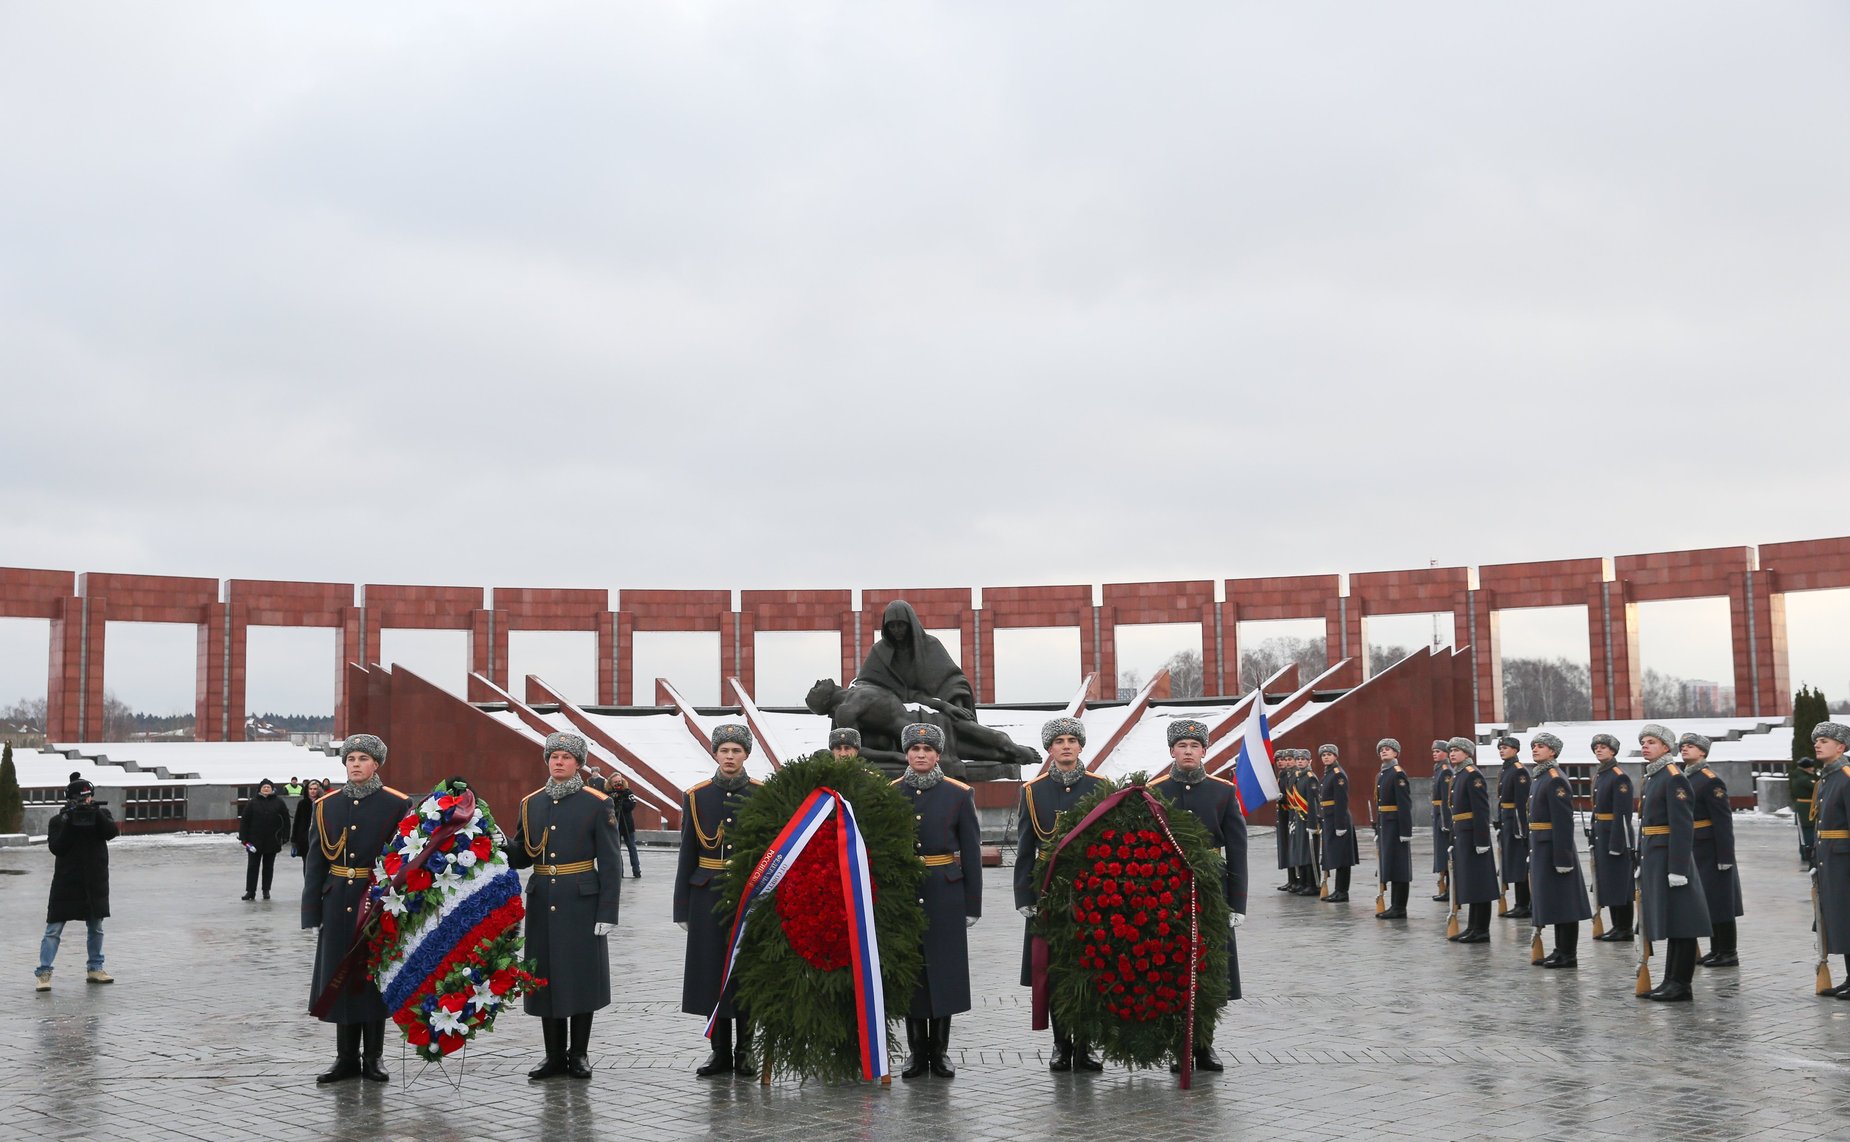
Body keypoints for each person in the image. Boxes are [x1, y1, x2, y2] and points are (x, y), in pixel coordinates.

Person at [507, 732, 623, 1080]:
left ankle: (579, 1054)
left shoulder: (597, 802)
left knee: (580, 977)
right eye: (553, 756)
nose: (558, 762)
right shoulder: (531, 803)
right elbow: (524, 856)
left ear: (579, 764)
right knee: (545, 978)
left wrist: (607, 911)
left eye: (565, 757)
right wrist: (498, 842)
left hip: (581, 900)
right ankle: (553, 1055)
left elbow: (612, 861)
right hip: (543, 899)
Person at [302, 734, 413, 1082]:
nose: (355, 765)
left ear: (376, 764)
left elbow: (406, 858)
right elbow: (315, 860)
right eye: (350, 759)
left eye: (363, 759)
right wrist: (312, 909)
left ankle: (373, 1057)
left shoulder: (396, 803)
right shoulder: (326, 805)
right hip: (337, 903)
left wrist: (400, 905)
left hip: (377, 901)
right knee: (341, 976)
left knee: (372, 979)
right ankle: (345, 1057)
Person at [1150, 718, 1245, 1074]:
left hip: (1211, 892)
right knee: (1172, 968)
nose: (1188, 752)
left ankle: (1204, 1044)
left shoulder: (1223, 792)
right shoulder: (1155, 791)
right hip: (1167, 892)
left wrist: (1237, 903)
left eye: (1194, 746)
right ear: (1171, 751)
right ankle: (1179, 1046)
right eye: (1181, 746)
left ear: (1205, 751)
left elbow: (1237, 849)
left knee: (1209, 968)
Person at [1013, 717, 1106, 1072]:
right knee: (1051, 969)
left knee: (1090, 968)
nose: (1066, 746)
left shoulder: (1100, 787)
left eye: (1072, 740)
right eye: (1059, 741)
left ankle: (1087, 1045)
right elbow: (1025, 848)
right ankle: (1060, 1043)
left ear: (1081, 746)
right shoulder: (1032, 791)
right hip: (1047, 891)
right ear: (1050, 750)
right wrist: (1024, 896)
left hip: (1091, 891)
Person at [893, 722, 982, 1080]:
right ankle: (916, 1053)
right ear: (906, 753)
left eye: (928, 750)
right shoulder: (891, 793)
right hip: (905, 892)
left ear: (937, 754)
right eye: (915, 749)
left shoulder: (959, 794)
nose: (921, 755)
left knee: (944, 971)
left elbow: (971, 853)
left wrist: (971, 904)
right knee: (911, 972)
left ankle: (940, 1052)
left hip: (945, 891)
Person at [674, 724, 763, 1078]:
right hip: (706, 895)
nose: (729, 757)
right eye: (724, 750)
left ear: (746, 755)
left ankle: (745, 1051)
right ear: (714, 753)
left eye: (736, 751)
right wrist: (682, 906)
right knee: (712, 973)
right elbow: (687, 853)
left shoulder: (761, 794)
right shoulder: (696, 796)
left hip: (747, 893)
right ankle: (719, 1051)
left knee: (745, 973)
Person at [1635, 723, 1710, 1003]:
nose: (1645, 746)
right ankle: (1670, 979)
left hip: (1671, 860)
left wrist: (1678, 868)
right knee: (1673, 921)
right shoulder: (1654, 776)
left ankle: (1681, 983)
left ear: (1666, 747)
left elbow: (1681, 826)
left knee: (1683, 922)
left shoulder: (1672, 776)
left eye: (1651, 742)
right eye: (1643, 742)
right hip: (1656, 855)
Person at [36, 774, 117, 990]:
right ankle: (44, 973)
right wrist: (70, 821)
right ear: (70, 800)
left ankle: (95, 968)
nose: (86, 802)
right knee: (53, 929)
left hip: (94, 882)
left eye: (88, 797)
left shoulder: (101, 815)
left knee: (96, 927)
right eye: (81, 799)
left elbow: (111, 832)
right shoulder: (59, 821)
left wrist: (96, 813)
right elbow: (57, 848)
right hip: (66, 882)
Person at [1524, 733, 1592, 968]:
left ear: (1553, 751)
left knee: (1565, 902)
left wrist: (1563, 857)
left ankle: (1568, 953)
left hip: (1555, 848)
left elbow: (1563, 821)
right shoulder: (1540, 777)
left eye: (1540, 746)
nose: (1535, 749)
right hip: (1542, 847)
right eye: (1533, 746)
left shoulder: (1554, 778)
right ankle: (1559, 949)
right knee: (1554, 901)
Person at [1680, 733, 1744, 968]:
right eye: (1683, 747)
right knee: (1707, 900)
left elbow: (1723, 820)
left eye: (1691, 747)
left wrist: (1725, 856)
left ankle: (1728, 951)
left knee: (1720, 901)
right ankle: (1716, 949)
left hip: (1711, 849)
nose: (1685, 750)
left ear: (1703, 752)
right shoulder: (1686, 777)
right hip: (1694, 847)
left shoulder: (1709, 780)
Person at [1807, 721, 1850, 998]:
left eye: (1824, 740)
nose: (1818, 744)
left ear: (1841, 747)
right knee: (1841, 918)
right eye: (1817, 741)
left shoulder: (1845, 777)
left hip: (1844, 861)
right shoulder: (1828, 778)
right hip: (1830, 861)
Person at [1446, 737, 1497, 944]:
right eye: (1450, 751)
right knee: (1471, 883)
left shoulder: (1472, 775)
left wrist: (1482, 840)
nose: (1452, 754)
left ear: (1467, 753)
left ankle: (1482, 929)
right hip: (1462, 834)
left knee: (1480, 884)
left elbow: (1481, 810)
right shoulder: (1458, 776)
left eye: (1457, 750)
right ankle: (1473, 926)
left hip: (1474, 837)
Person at [1588, 735, 1636, 941]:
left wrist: (1618, 843)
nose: (1599, 750)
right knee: (1608, 881)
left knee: (1620, 883)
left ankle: (1624, 927)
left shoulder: (1618, 776)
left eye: (1604, 748)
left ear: (1613, 751)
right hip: (1602, 834)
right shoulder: (1601, 775)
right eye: (1596, 748)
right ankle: (1616, 925)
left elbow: (1622, 814)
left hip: (1615, 836)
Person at [1374, 739, 1414, 919]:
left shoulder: (1397, 774)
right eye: (1382, 750)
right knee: (1390, 865)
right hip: (1386, 824)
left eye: (1388, 749)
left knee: (1399, 867)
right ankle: (1394, 904)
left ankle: (1400, 906)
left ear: (1396, 753)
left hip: (1396, 826)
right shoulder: (1383, 773)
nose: (1384, 752)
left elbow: (1404, 804)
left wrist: (1405, 831)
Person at [1494, 735, 1532, 919]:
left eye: (1506, 747)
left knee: (1519, 864)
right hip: (1507, 820)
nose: (1502, 750)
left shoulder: (1519, 771)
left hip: (1515, 823)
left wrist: (1521, 828)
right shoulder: (1506, 769)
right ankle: (1521, 903)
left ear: (1516, 750)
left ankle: (1523, 903)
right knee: (1512, 862)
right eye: (1500, 747)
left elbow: (1522, 802)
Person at [1317, 744, 1358, 903]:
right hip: (1329, 819)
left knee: (1342, 858)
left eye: (1329, 754)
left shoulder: (1337, 774)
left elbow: (1341, 802)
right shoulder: (1328, 773)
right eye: (1323, 755)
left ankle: (1342, 891)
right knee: (1335, 856)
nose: (1326, 757)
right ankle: (1338, 890)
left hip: (1338, 819)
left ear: (1336, 756)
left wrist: (1340, 825)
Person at [238, 778, 291, 901]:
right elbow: (245, 821)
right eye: (264, 787)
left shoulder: (279, 802)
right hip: (254, 841)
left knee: (268, 867)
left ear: (272, 789)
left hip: (272, 840)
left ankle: (266, 890)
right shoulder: (252, 803)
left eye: (268, 787)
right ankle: (250, 891)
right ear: (259, 789)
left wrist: (285, 836)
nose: (266, 789)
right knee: (252, 867)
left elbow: (286, 820)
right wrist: (243, 838)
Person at [1430, 740, 1454, 901]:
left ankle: (1449, 888)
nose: (1435, 754)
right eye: (1434, 751)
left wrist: (1446, 823)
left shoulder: (1445, 771)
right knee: (1441, 854)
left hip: (1443, 818)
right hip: (1438, 816)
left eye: (1438, 751)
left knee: (1446, 854)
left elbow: (1446, 799)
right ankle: (1444, 887)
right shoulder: (1438, 769)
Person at [608, 773, 642, 879]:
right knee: (616, 849)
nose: (618, 783)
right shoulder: (607, 793)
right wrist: (614, 800)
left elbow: (632, 805)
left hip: (628, 825)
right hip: (614, 825)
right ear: (611, 783)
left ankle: (636, 870)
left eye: (620, 781)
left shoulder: (628, 792)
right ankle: (619, 871)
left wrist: (622, 800)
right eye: (615, 782)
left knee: (632, 847)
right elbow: (606, 808)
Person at [1792, 754, 1820, 868]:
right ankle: (1808, 853)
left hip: (1805, 806)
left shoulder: (1799, 776)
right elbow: (1817, 787)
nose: (1813, 769)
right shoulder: (1804, 778)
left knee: (1804, 832)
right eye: (1811, 767)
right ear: (1807, 767)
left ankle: (1805, 852)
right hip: (1806, 807)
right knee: (1807, 831)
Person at [291, 779, 327, 860]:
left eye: (315, 789)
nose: (312, 791)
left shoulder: (324, 803)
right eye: (310, 789)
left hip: (320, 838)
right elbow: (297, 822)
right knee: (306, 864)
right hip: (305, 839)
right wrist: (294, 840)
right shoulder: (302, 803)